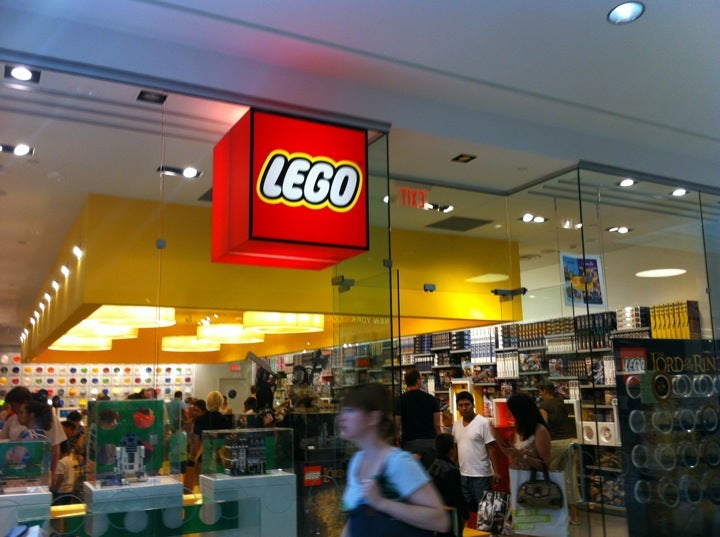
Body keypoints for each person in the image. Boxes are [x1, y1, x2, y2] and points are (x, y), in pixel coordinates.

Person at [339, 382, 449, 537]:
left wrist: (381, 502)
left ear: (373, 418)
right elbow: (353, 522)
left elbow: (440, 520)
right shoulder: (357, 461)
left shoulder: (398, 462)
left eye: (351, 410)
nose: (342, 418)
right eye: (343, 411)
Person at [1, 387, 67, 487]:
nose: (13, 410)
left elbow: (55, 449)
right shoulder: (13, 421)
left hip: (29, 478)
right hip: (29, 476)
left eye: (14, 405)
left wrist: (52, 473)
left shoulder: (34, 432)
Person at [537, 380, 579, 524]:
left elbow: (543, 426)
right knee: (570, 480)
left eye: (540, 391)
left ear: (544, 391)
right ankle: (574, 516)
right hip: (568, 442)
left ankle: (556, 515)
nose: (540, 394)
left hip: (554, 443)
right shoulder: (561, 402)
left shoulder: (544, 405)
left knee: (550, 478)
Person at [451, 390, 501, 512]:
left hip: (482, 475)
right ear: (457, 407)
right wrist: (453, 467)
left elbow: (491, 447)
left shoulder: (483, 423)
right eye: (461, 405)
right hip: (463, 475)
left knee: (485, 511)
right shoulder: (456, 425)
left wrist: (496, 471)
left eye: (467, 404)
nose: (464, 408)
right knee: (468, 511)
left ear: (473, 405)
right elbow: (456, 448)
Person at [394, 368, 441, 469]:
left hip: (409, 443)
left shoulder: (400, 400)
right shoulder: (432, 399)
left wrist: (397, 438)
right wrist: (440, 441)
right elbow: (437, 425)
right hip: (429, 443)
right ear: (418, 381)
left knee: (412, 473)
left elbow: (397, 423)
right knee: (430, 473)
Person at [428, 433, 468, 537]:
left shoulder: (433, 466)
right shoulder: (451, 470)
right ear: (452, 450)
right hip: (450, 515)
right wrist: (465, 513)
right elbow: (457, 495)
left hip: (435, 513)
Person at [52, 440, 77, 505]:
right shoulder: (70, 460)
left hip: (61, 492)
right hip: (70, 491)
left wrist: (55, 488)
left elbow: (60, 477)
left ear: (59, 450)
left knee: (58, 509)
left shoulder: (61, 462)